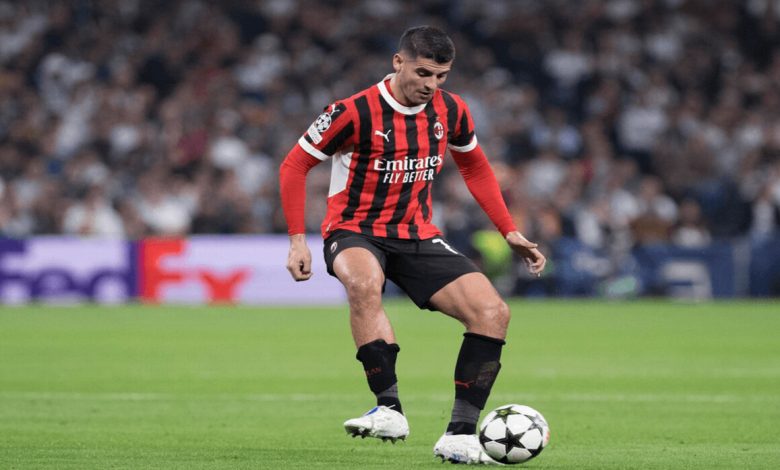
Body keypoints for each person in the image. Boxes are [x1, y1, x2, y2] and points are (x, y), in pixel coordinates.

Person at [279, 26, 546, 465]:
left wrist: (508, 230)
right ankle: (389, 409)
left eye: (441, 76)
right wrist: (296, 241)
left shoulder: (451, 110)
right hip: (354, 229)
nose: (431, 84)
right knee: (364, 283)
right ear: (398, 61)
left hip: (417, 234)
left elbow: (475, 167)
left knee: (493, 312)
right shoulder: (352, 112)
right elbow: (294, 165)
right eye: (423, 73)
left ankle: (460, 435)